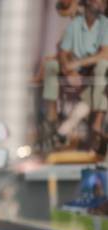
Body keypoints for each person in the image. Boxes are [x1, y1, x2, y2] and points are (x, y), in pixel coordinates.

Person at [42, 0, 108, 153]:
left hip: (98, 74)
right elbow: (63, 52)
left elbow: (104, 54)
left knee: (101, 72)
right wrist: (70, 70)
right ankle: (56, 124)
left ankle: (66, 131)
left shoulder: (103, 24)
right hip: (91, 77)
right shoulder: (76, 25)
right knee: (52, 67)